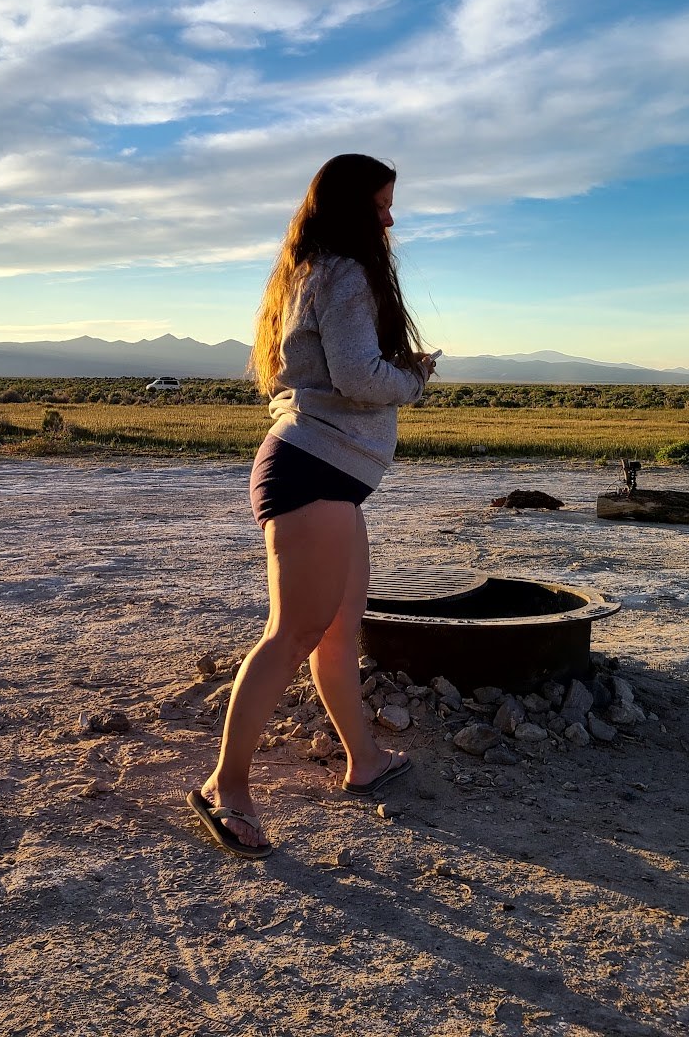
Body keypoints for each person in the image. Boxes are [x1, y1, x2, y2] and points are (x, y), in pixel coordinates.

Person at [186, 153, 437, 859]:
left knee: (335, 632)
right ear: (352, 208)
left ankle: (363, 761)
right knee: (292, 634)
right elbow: (358, 375)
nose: (390, 218)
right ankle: (223, 787)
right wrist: (412, 379)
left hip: (326, 476)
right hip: (313, 472)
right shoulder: (347, 273)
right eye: (382, 205)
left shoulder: (310, 271)